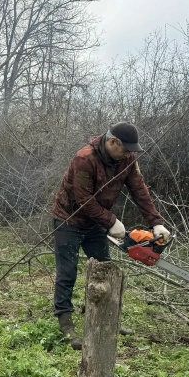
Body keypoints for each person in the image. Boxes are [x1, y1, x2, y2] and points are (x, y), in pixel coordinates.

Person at [51, 122, 170, 349]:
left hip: (95, 222)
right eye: (125, 149)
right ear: (112, 141)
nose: (128, 154)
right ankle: (65, 323)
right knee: (67, 272)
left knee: (105, 268)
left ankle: (104, 315)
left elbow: (139, 190)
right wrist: (111, 221)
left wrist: (156, 223)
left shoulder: (127, 159)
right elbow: (83, 199)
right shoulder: (85, 159)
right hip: (69, 219)